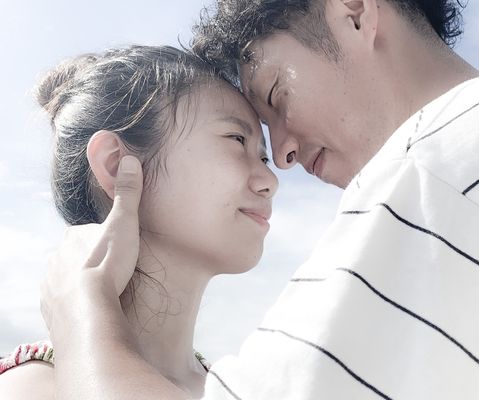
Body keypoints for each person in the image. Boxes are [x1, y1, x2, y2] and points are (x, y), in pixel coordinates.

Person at [40, 0, 479, 399]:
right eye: (244, 138)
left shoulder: (446, 167)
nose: (282, 158)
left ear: (355, 11)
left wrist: (80, 312)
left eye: (276, 98)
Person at [0, 45, 277, 399]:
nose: (271, 181)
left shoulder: (240, 388)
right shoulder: (31, 388)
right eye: (236, 139)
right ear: (116, 164)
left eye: (264, 158)